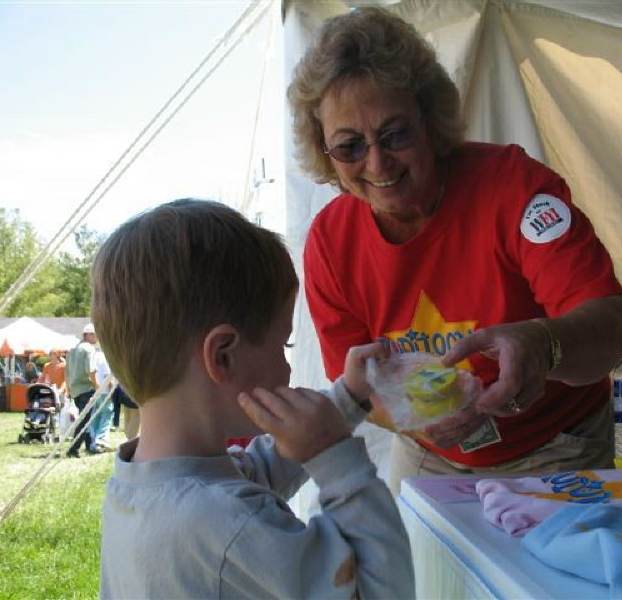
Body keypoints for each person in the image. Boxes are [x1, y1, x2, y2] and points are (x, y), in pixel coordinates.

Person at [288, 7, 622, 495]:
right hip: (429, 456)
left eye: (395, 134)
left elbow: (615, 328)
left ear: (429, 120)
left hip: (558, 447)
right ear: (324, 150)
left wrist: (543, 344)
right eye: (349, 147)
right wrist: (415, 421)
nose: (377, 162)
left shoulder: (513, 188)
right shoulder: (330, 242)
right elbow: (357, 381)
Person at [94, 199, 413, 599]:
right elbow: (384, 591)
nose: (288, 369)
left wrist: (348, 398)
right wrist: (338, 462)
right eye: (283, 345)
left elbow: (251, 473)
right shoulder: (222, 523)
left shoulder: (146, 485)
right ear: (223, 355)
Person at [65, 323, 98, 457]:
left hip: (74, 389)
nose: (97, 338)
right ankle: (73, 449)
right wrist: (97, 386)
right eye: (95, 334)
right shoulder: (89, 349)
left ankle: (90, 445)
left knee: (87, 418)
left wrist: (68, 388)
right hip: (86, 388)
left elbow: (66, 372)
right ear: (88, 335)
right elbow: (91, 370)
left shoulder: (72, 349)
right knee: (85, 420)